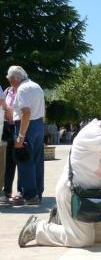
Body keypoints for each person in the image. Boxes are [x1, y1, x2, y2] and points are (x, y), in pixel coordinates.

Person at [18, 109, 101, 248]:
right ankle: (38, 228)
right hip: (73, 192)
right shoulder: (93, 133)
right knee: (82, 240)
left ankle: (61, 220)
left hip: (93, 195)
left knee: (100, 237)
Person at [8, 66, 45, 206]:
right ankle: (36, 192)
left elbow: (26, 112)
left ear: (15, 79)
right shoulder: (36, 86)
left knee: (24, 160)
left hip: (26, 125)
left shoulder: (22, 89)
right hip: (38, 125)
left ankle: (29, 194)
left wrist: (21, 136)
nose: (11, 84)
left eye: (11, 81)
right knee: (36, 160)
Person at [1, 84, 19, 204]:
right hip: (7, 128)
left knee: (21, 160)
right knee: (8, 162)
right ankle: (7, 191)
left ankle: (21, 192)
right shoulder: (7, 91)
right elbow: (3, 107)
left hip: (19, 127)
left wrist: (10, 110)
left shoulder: (23, 91)